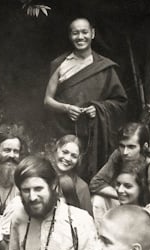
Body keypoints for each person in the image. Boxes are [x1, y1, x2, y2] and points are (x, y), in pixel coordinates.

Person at [44, 17, 127, 181]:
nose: (80, 37)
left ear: (93, 33)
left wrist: (98, 108)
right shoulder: (60, 64)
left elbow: (120, 103)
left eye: (84, 32)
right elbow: (47, 101)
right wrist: (66, 109)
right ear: (70, 36)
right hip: (66, 130)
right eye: (75, 33)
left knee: (91, 178)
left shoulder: (104, 67)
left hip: (95, 134)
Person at [7, 156, 98, 250]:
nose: (32, 197)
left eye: (38, 189)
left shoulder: (80, 220)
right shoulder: (18, 217)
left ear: (53, 185)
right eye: (26, 190)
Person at [89, 122, 150, 225]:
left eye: (131, 147)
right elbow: (95, 183)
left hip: (142, 209)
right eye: (122, 146)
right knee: (98, 200)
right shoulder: (118, 156)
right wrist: (123, 195)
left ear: (144, 147)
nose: (125, 152)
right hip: (123, 201)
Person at [53, 134, 92, 215]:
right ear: (57, 150)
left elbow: (88, 221)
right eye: (65, 152)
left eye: (74, 156)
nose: (67, 158)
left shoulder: (82, 187)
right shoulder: (42, 177)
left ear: (78, 159)